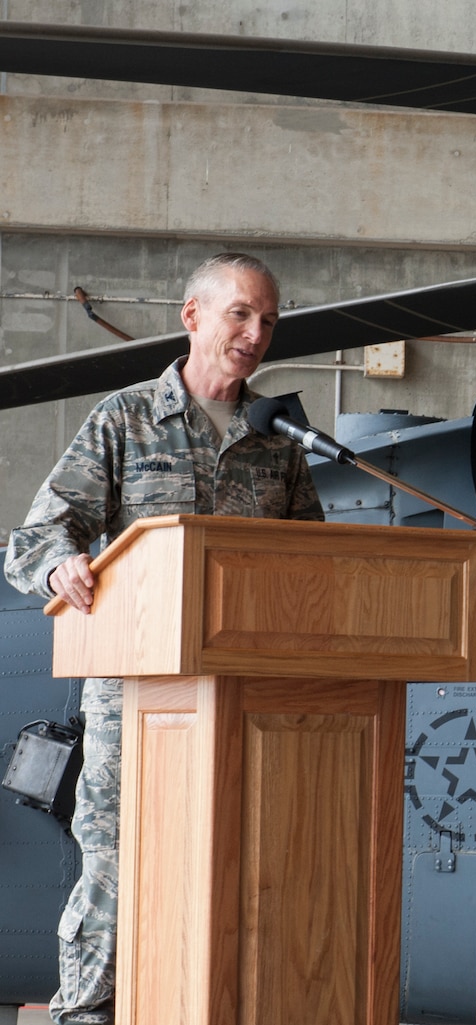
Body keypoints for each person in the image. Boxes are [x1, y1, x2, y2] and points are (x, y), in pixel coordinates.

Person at [3, 252, 322, 1025]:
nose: (255, 332)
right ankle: (89, 1012)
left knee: (239, 860)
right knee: (115, 857)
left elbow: (312, 567)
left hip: (246, 694)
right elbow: (36, 534)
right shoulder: (127, 417)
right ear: (193, 316)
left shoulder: (279, 441)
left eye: (269, 320)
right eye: (241, 313)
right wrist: (60, 570)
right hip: (133, 692)